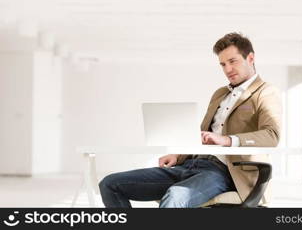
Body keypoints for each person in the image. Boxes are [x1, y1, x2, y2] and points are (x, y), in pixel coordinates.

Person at [99, 32, 281, 208]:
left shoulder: (266, 92)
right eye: (223, 64)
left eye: (232, 61)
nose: (227, 69)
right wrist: (178, 156)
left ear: (250, 58)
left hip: (224, 172)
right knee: (110, 184)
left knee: (175, 197)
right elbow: (200, 135)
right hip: (190, 164)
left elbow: (271, 135)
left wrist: (227, 140)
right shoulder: (220, 94)